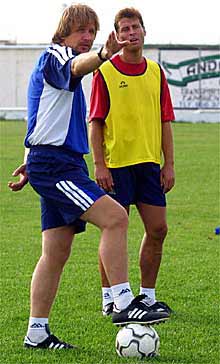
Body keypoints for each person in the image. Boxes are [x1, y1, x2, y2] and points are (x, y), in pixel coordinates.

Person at [8, 4, 169, 350]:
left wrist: (27, 160)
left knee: (56, 252)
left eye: (92, 32)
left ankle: (36, 333)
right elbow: (78, 65)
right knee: (115, 217)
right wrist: (102, 55)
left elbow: (39, 113)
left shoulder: (67, 68)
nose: (88, 37)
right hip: (56, 165)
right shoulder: (56, 56)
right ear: (64, 31)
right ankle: (124, 302)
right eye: (82, 30)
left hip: (54, 163)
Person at [89, 7, 175, 317]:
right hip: (117, 167)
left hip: (150, 165)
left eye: (134, 27)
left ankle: (148, 297)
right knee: (114, 230)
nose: (130, 34)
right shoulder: (105, 72)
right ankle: (110, 298)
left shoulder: (156, 72)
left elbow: (165, 120)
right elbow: (95, 122)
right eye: (124, 29)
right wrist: (100, 165)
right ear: (117, 35)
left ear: (143, 31)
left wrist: (169, 163)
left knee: (158, 229)